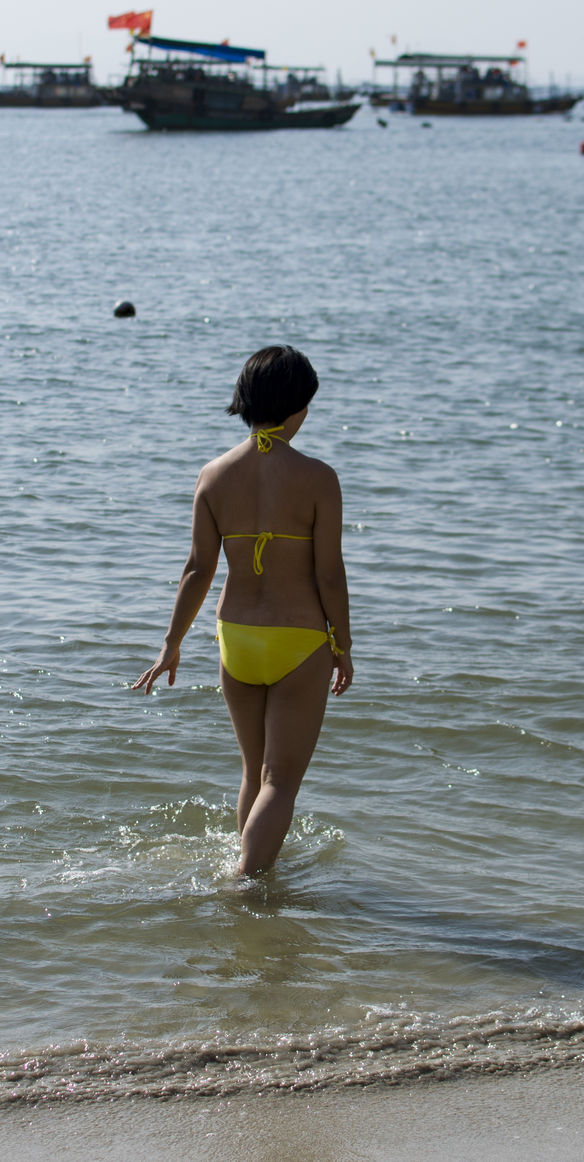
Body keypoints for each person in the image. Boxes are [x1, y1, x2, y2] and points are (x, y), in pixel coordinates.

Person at [133, 346, 353, 875]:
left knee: (254, 773)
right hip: (298, 640)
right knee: (281, 781)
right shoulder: (317, 477)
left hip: (235, 638)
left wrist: (171, 643)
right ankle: (245, 886)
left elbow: (197, 569)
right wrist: (342, 646)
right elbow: (328, 574)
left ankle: (255, 876)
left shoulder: (213, 475)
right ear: (295, 407)